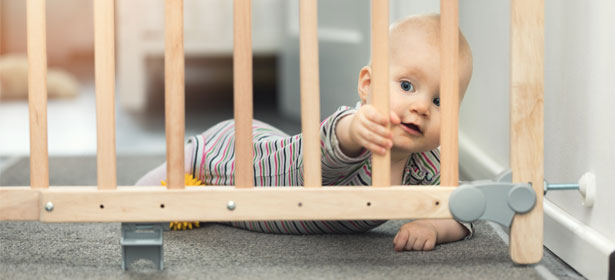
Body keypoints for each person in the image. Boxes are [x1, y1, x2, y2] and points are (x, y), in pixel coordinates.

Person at [136, 13, 474, 252]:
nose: (422, 107)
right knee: (172, 177)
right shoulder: (353, 127)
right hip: (239, 151)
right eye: (406, 85)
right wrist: (356, 130)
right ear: (367, 85)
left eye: (440, 99)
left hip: (257, 206)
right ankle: (133, 197)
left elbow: (462, 213)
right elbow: (331, 148)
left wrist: (432, 227)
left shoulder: (427, 165)